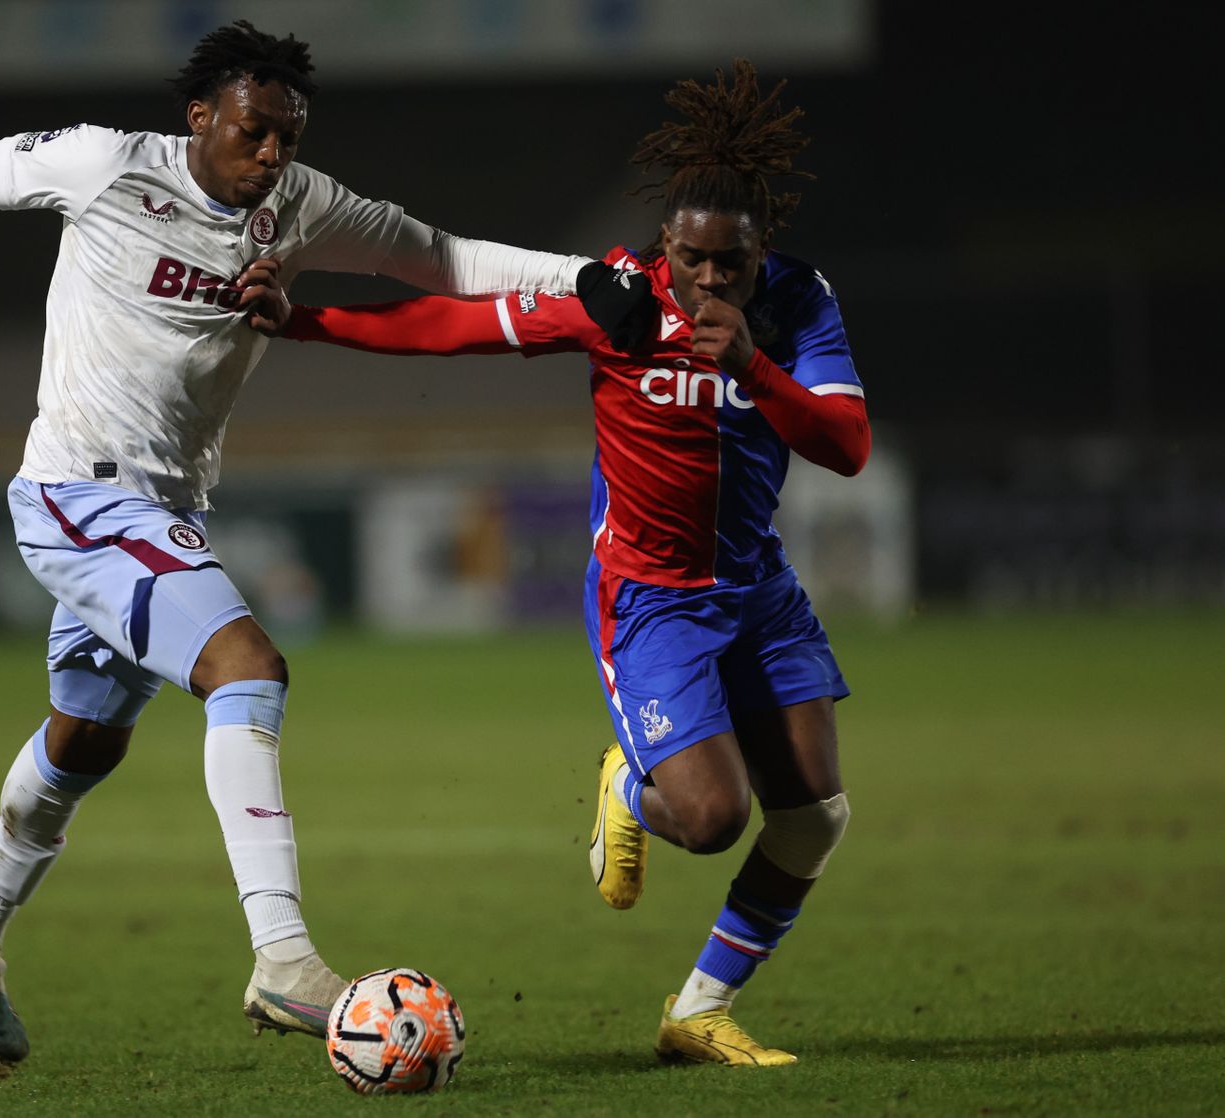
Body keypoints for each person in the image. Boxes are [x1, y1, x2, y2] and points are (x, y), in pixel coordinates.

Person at [0, 20, 592, 1064]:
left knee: (85, 738)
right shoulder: (106, 166)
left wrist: (582, 276)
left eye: (287, 134)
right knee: (249, 670)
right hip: (77, 495)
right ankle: (282, 956)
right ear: (200, 119)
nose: (272, 153)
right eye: (253, 130)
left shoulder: (298, 204)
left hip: (165, 511)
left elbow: (439, 256)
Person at [277, 61, 869, 1067]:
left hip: (757, 590)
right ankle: (632, 790)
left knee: (814, 813)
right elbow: (451, 328)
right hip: (651, 599)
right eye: (690, 258)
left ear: (759, 249)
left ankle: (696, 1011)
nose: (709, 279)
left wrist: (754, 368)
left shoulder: (799, 301)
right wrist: (303, 317)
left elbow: (846, 445)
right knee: (715, 816)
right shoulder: (620, 301)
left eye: (729, 262)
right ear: (667, 245)